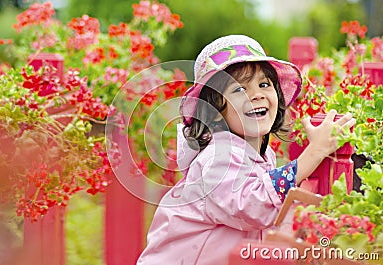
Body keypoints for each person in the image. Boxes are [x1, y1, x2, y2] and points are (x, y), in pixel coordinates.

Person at [137, 35, 355, 265]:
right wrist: (315, 152)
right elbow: (253, 205)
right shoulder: (215, 158)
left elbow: (273, 210)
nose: (257, 94)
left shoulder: (261, 154)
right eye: (239, 89)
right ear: (214, 110)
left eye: (264, 84)